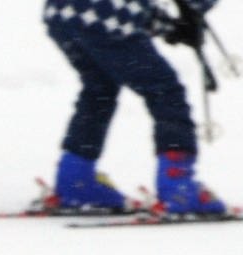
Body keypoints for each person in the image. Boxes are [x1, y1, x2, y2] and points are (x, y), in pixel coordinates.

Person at [42, 0, 229, 214]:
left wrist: (172, 28)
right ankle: (177, 186)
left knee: (99, 88)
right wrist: (194, 11)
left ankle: (75, 180)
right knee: (165, 91)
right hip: (106, 16)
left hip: (61, 13)